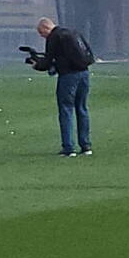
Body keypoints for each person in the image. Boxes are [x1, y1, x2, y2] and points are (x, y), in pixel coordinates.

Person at [29, 17, 93, 157]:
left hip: (68, 76)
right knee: (82, 108)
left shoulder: (54, 37)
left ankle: (68, 147)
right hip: (84, 74)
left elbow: (48, 61)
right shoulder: (73, 32)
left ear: (46, 28)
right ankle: (86, 145)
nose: (42, 36)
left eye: (42, 33)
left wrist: (36, 65)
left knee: (66, 109)